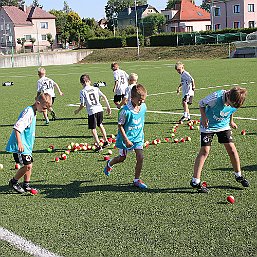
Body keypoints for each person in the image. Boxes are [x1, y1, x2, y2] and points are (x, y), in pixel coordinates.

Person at [191, 86, 250, 193]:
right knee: (205, 151)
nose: (229, 106)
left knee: (232, 150)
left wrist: (231, 121)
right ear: (228, 97)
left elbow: (232, 110)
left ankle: (239, 175)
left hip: (223, 125)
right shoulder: (215, 97)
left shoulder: (236, 100)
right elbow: (201, 103)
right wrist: (204, 117)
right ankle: (195, 181)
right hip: (208, 126)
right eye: (229, 104)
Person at [103, 84, 148, 189]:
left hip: (138, 138)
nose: (142, 102)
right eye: (140, 100)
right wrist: (126, 139)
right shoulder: (124, 111)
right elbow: (120, 126)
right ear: (132, 98)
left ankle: (136, 180)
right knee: (122, 158)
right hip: (125, 139)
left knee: (140, 157)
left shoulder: (144, 107)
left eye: (144, 100)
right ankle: (109, 163)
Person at [7, 93, 52, 194]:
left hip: (27, 145)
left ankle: (26, 185)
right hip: (20, 145)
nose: (45, 110)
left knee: (29, 164)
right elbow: (17, 128)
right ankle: (13, 182)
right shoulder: (28, 112)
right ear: (37, 103)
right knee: (27, 166)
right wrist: (19, 143)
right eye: (44, 107)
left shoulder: (34, 110)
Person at [74, 74, 111, 152]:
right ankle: (106, 141)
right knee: (100, 125)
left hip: (92, 111)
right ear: (89, 81)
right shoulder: (95, 88)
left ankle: (98, 145)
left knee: (93, 129)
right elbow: (104, 96)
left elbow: (82, 104)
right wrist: (108, 107)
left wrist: (77, 110)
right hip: (100, 109)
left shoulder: (82, 91)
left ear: (81, 83)